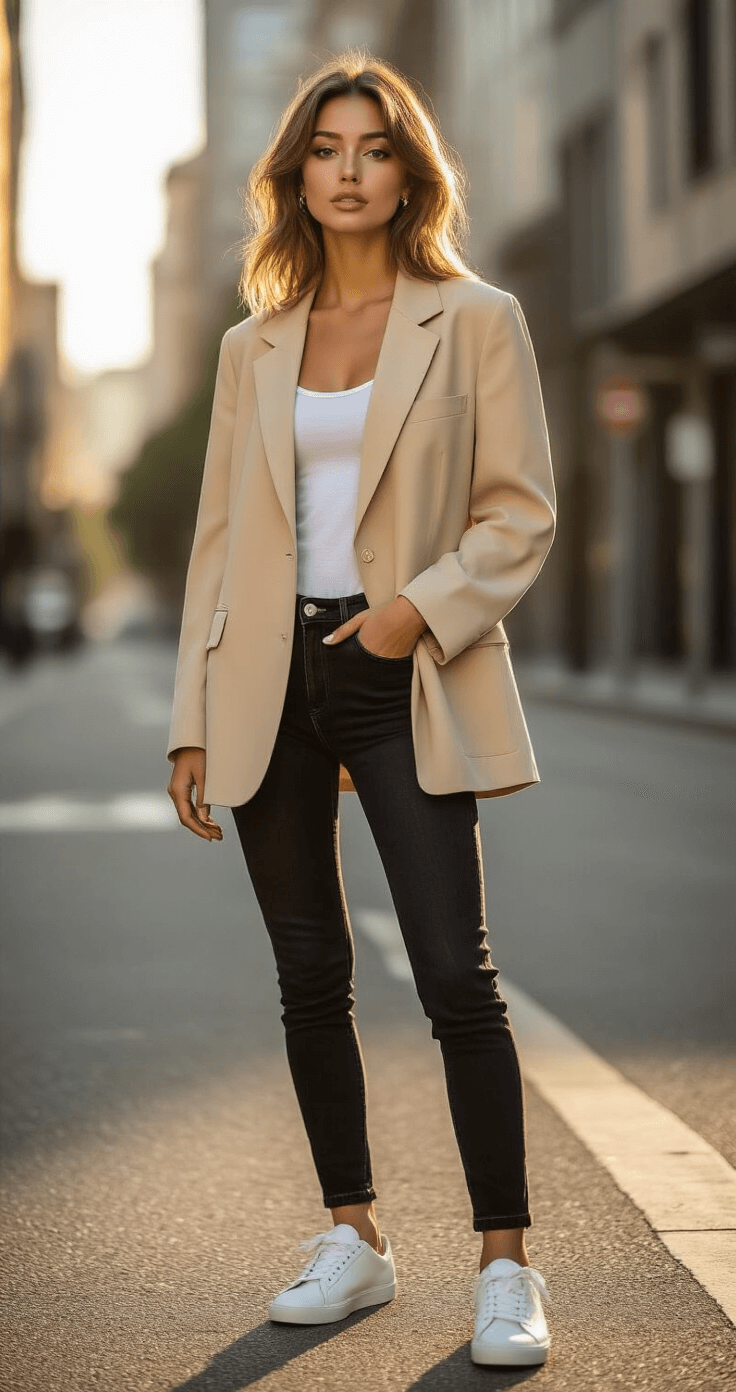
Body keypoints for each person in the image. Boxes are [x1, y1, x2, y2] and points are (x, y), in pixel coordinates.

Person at [166, 52, 556, 1369]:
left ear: (407, 173)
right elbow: (220, 542)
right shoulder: (249, 346)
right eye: (324, 147)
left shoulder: (476, 317)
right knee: (309, 975)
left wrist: (410, 614)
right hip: (266, 677)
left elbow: (518, 511)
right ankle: (358, 1239)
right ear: (295, 174)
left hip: (404, 663)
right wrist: (191, 717)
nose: (345, 169)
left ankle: (506, 1263)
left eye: (371, 147)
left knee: (456, 973)